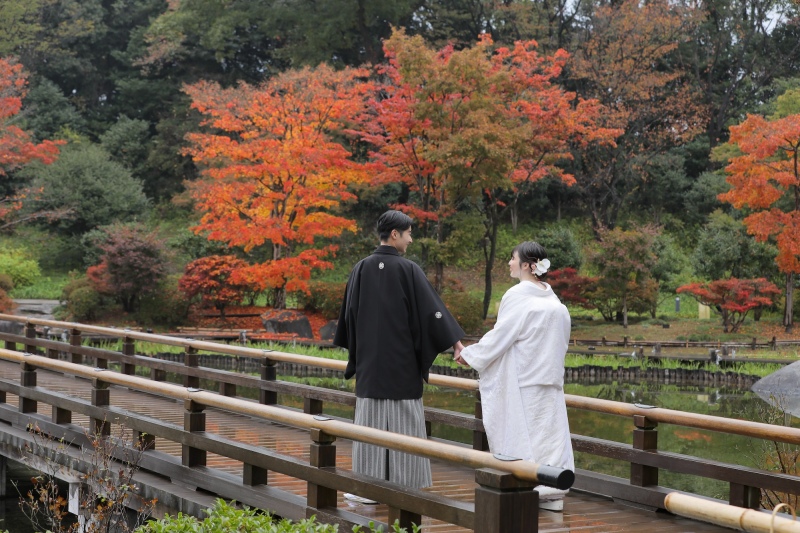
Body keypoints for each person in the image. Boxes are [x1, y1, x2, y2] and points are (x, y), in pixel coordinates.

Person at [334, 210, 465, 504]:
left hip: (370, 364)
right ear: (395, 234)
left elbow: (348, 316)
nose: (411, 239)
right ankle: (407, 485)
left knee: (369, 423)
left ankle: (367, 489)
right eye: (408, 233)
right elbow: (433, 312)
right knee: (405, 423)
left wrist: (359, 352)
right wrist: (456, 343)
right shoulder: (409, 270)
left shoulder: (360, 268)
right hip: (402, 364)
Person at [455, 241, 574, 512]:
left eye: (512, 258)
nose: (509, 263)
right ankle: (553, 494)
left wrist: (470, 354)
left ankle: (526, 488)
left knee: (526, 436)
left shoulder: (517, 295)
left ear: (527, 266)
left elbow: (501, 337)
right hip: (550, 379)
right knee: (550, 437)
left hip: (525, 379)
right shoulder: (555, 302)